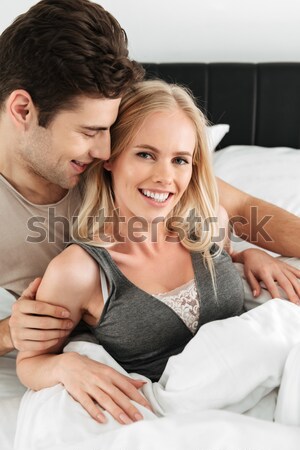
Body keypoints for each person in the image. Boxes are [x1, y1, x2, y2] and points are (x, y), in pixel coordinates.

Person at [1, 0, 300, 422]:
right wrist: (10, 333)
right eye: (91, 132)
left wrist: (243, 253)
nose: (105, 149)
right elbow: (34, 356)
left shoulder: (114, 159)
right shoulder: (81, 249)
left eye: (110, 131)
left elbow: (240, 211)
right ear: (23, 111)